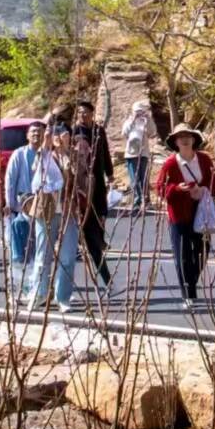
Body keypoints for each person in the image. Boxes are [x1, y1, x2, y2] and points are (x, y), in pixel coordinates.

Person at [155, 123, 215, 309]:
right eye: (180, 136)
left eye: (188, 136)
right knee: (182, 254)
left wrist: (205, 189)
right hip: (179, 213)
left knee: (203, 250)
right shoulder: (170, 164)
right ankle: (188, 294)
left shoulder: (204, 159)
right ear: (175, 141)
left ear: (193, 139)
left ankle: (191, 281)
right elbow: (160, 188)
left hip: (201, 210)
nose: (184, 139)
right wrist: (177, 189)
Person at [24, 121, 83, 312]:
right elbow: (36, 169)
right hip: (46, 209)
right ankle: (38, 294)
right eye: (57, 135)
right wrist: (47, 142)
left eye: (64, 134)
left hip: (69, 211)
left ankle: (62, 297)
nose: (60, 138)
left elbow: (81, 176)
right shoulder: (45, 155)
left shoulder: (73, 155)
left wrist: (70, 155)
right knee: (43, 255)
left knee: (67, 256)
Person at [72, 102, 117, 289]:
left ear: (92, 113)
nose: (83, 115)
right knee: (87, 220)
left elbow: (105, 151)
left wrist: (110, 172)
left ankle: (98, 238)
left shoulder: (99, 131)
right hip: (81, 185)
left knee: (101, 211)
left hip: (97, 179)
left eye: (86, 112)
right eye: (80, 112)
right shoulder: (75, 132)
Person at [2, 118, 48, 294]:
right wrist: (8, 202)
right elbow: (10, 180)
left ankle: (34, 287)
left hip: (41, 208)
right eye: (33, 132)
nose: (36, 134)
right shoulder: (19, 154)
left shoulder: (46, 154)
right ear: (28, 135)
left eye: (40, 131)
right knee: (19, 248)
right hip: (21, 207)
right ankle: (17, 287)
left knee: (38, 250)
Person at [121, 100, 154, 212]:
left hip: (143, 153)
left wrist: (148, 119)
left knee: (144, 178)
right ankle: (137, 201)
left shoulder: (146, 121)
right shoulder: (129, 121)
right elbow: (124, 133)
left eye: (140, 111)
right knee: (134, 179)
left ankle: (146, 201)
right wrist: (133, 120)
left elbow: (153, 132)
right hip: (131, 154)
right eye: (137, 112)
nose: (139, 113)